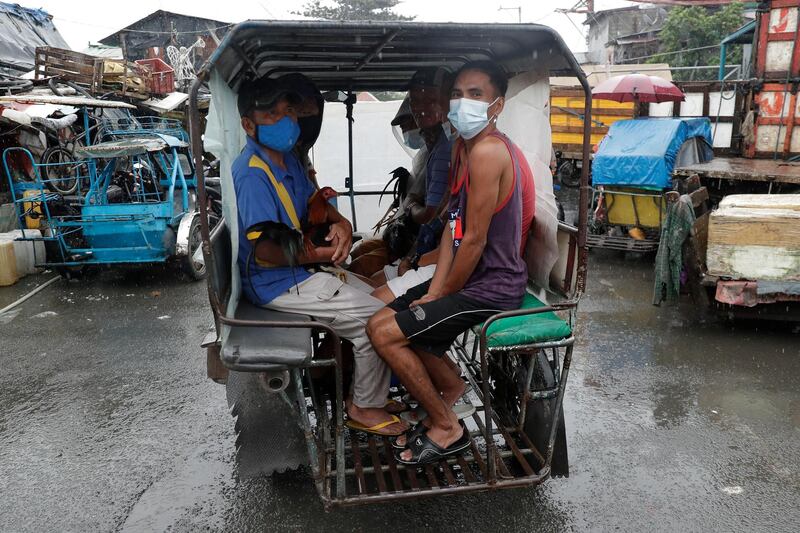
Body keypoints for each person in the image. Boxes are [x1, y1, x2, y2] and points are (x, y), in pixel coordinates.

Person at [367, 60, 529, 465]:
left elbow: (474, 241)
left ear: (497, 105)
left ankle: (447, 428)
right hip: (467, 277)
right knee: (377, 323)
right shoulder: (463, 148)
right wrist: (434, 290)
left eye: (476, 95)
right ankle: (452, 392)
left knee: (388, 335)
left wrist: (439, 295)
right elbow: (453, 230)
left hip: (493, 286)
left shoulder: (489, 152)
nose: (462, 103)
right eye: (458, 94)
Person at [231, 76, 407, 437]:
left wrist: (341, 223)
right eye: (272, 114)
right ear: (248, 124)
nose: (286, 121)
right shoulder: (252, 173)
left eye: (290, 112)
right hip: (276, 281)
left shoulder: (288, 160)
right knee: (376, 321)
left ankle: (365, 388)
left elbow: (316, 204)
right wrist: (321, 254)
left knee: (384, 300)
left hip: (302, 272)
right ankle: (363, 407)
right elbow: (266, 250)